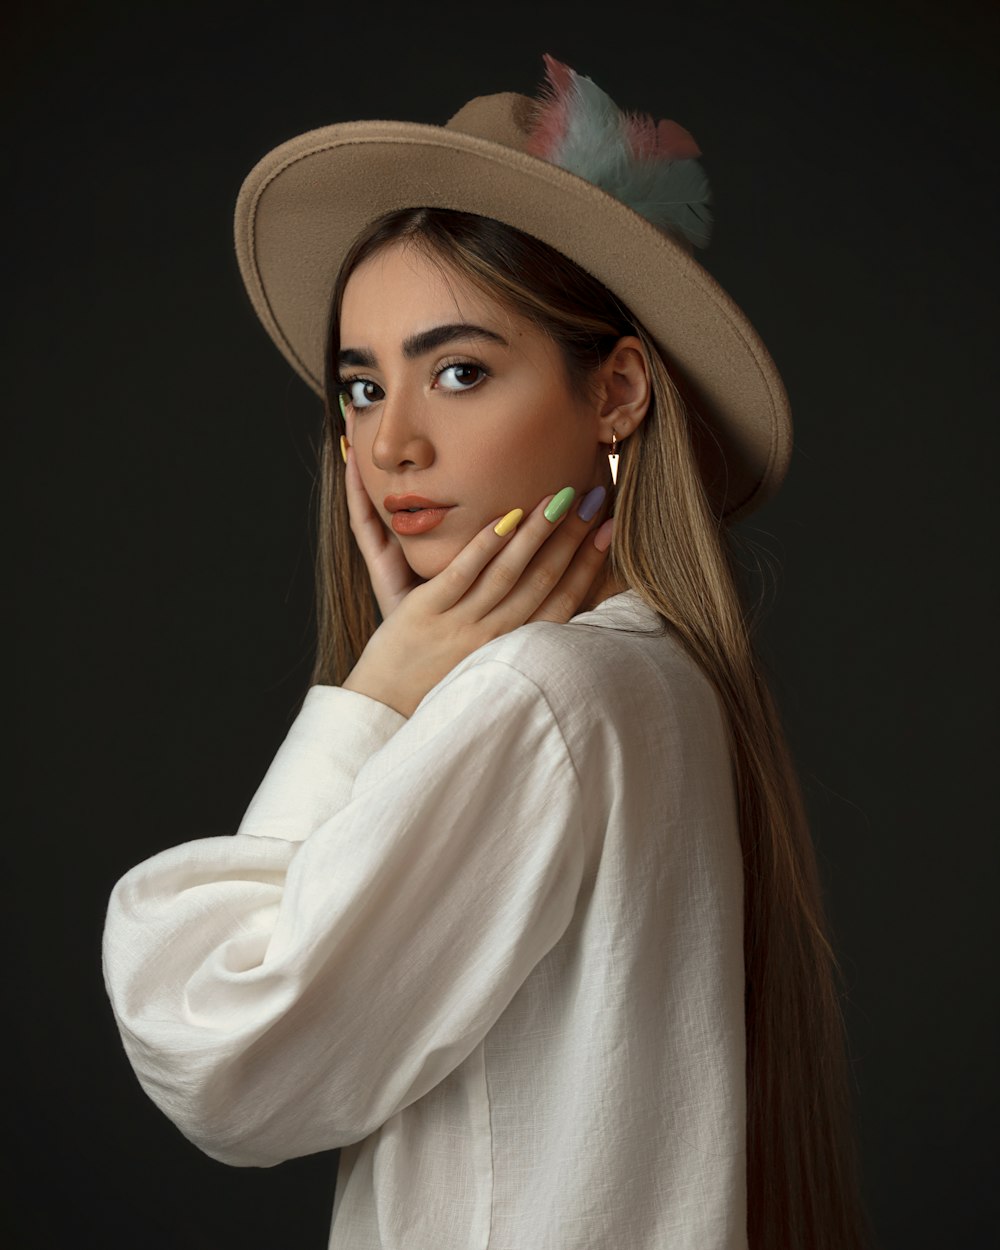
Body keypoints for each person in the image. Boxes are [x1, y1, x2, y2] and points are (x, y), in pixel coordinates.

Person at [102, 54, 870, 1250]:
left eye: (459, 371)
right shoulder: (661, 679)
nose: (390, 442)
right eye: (360, 386)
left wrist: (370, 697)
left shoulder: (540, 696)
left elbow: (215, 1050)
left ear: (616, 389)